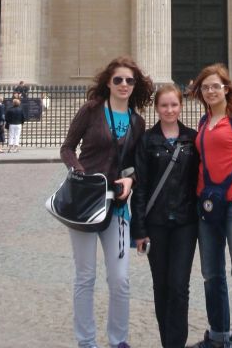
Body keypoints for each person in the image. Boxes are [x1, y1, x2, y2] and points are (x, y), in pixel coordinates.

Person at [60, 56, 153, 348]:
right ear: (108, 83)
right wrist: (79, 171)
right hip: (85, 204)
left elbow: (137, 164)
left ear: (135, 85)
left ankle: (118, 340)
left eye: (129, 80)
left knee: (120, 280)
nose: (124, 84)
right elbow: (67, 148)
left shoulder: (138, 122)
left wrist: (131, 180)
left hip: (117, 207)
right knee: (85, 276)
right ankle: (86, 341)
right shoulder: (91, 110)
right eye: (118, 79)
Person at [187, 63, 232, 348]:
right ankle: (218, 337)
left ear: (226, 88)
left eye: (215, 86)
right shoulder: (204, 122)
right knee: (211, 274)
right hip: (209, 206)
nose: (210, 91)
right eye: (205, 87)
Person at [131, 83, 199, 348]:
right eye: (164, 105)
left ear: (181, 106)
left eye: (174, 104)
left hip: (185, 222)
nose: (169, 110)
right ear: (156, 108)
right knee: (161, 286)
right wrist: (139, 230)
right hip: (156, 223)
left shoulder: (192, 138)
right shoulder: (147, 141)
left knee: (179, 287)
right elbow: (140, 188)